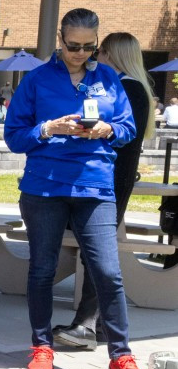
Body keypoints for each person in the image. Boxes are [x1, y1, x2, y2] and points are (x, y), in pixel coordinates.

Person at [4, 9, 147, 369]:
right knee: (42, 270)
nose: (80, 53)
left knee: (108, 273)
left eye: (88, 46)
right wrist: (48, 129)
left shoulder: (111, 80)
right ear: (60, 39)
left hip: (94, 187)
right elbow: (14, 137)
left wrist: (107, 129)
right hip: (44, 187)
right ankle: (41, 347)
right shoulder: (36, 80)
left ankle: (121, 357)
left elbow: (129, 129)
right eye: (73, 46)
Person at [50, 31, 157, 351]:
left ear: (116, 55)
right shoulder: (124, 87)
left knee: (98, 256)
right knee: (97, 255)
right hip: (103, 181)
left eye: (103, 53)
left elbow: (113, 136)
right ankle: (100, 327)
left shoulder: (130, 89)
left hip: (108, 184)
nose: (97, 59)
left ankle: (87, 324)